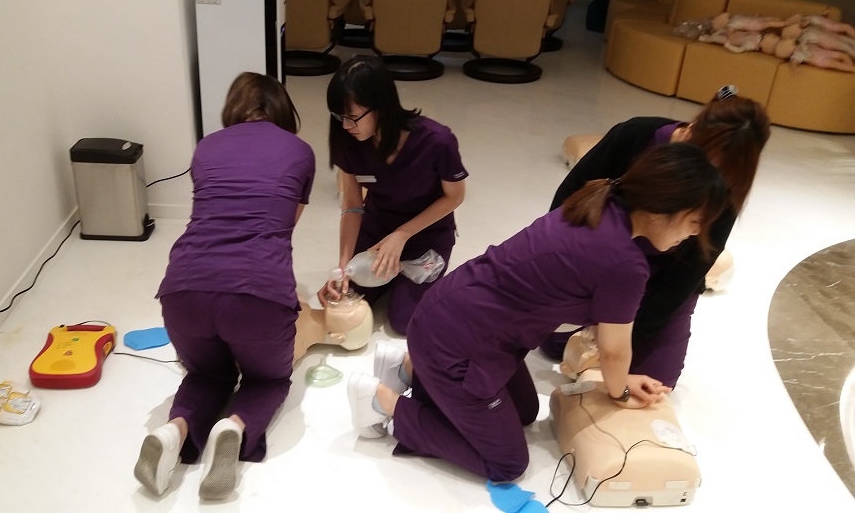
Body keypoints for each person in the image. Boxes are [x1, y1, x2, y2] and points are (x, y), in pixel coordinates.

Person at [347, 142, 730, 481]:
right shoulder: (625, 264)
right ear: (666, 207)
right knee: (506, 463)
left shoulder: (596, 202)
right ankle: (382, 402)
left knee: (525, 412)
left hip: (450, 312)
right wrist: (622, 391)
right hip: (460, 345)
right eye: (695, 222)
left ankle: (407, 367)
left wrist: (624, 379)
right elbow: (614, 352)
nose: (694, 233)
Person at [133, 72, 315, 499]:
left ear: (234, 107)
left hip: (183, 290)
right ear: (283, 111)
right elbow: (285, 223)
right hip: (257, 294)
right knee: (267, 380)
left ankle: (174, 431)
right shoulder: (300, 152)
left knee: (207, 373)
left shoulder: (207, 147)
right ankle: (234, 427)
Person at [541, 87, 771, 388]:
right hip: (601, 259)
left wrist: (622, 336)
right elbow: (567, 203)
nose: (708, 182)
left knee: (655, 381)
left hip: (661, 277)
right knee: (555, 344)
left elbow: (687, 274)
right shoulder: (637, 135)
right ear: (691, 131)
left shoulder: (729, 185)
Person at [317, 55, 468, 334]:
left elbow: (454, 197)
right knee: (346, 301)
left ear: (381, 105)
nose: (346, 126)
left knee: (403, 320)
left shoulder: (436, 140)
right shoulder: (349, 141)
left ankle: (424, 281)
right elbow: (352, 206)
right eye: (339, 117)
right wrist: (343, 268)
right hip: (377, 233)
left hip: (426, 234)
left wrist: (402, 234)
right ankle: (390, 276)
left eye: (352, 117)